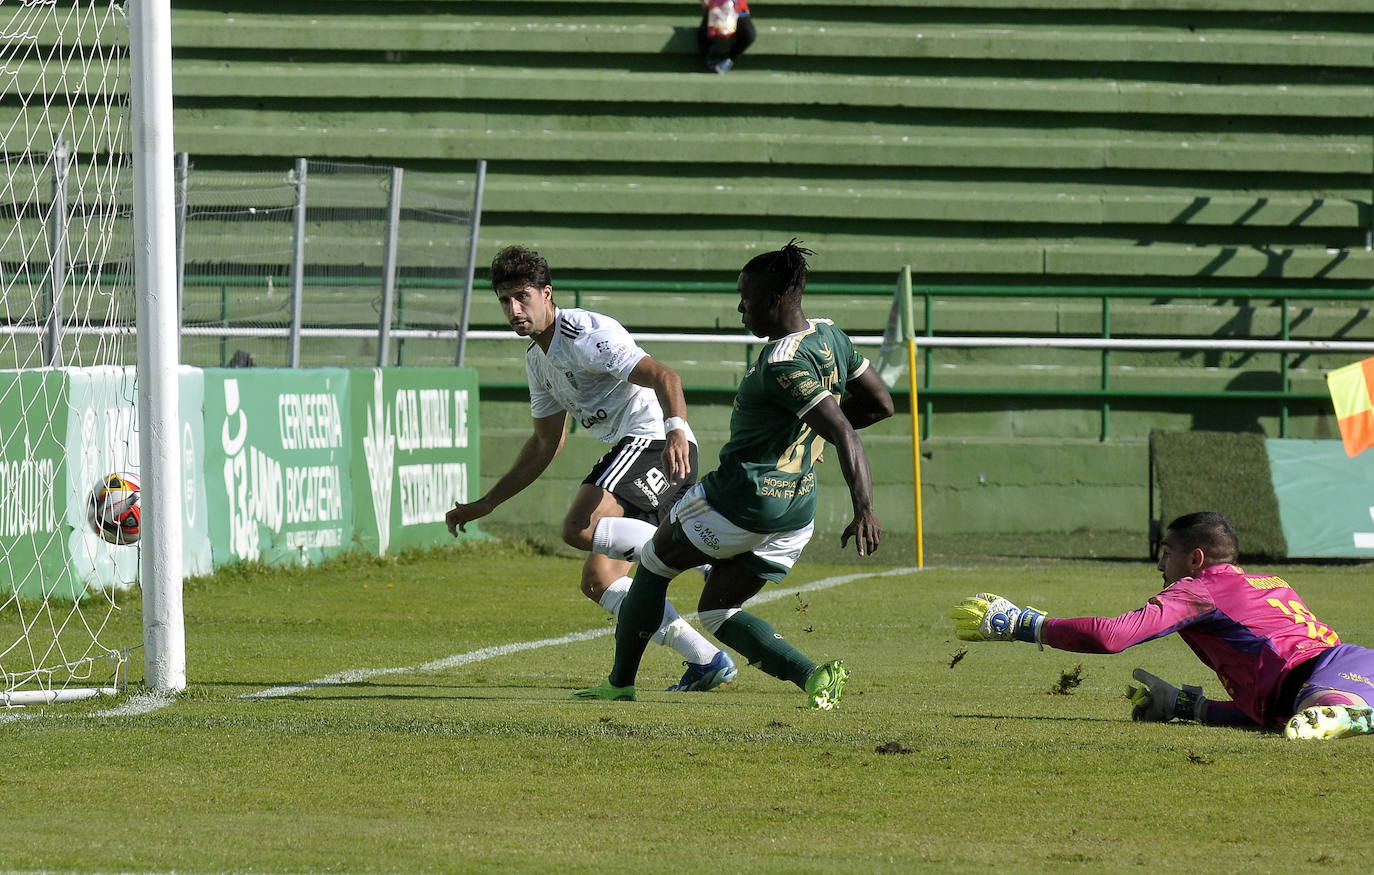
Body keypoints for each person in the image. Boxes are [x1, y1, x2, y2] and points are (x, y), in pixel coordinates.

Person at [573, 239, 894, 708]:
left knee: (653, 564)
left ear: (775, 300)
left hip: (740, 499)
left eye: (746, 297)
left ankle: (620, 684)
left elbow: (846, 429)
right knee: (720, 609)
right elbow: (880, 405)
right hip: (795, 513)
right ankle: (814, 677)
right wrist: (815, 437)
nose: (740, 307)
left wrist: (864, 507)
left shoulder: (784, 362)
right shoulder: (830, 336)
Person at [446, 244, 737, 693]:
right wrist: (488, 502)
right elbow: (547, 443)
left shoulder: (583, 333)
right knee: (598, 581)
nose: (513, 309)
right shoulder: (537, 361)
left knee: (579, 525)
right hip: (648, 452)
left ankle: (702, 557)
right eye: (504, 299)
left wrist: (676, 429)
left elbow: (666, 377)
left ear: (547, 293)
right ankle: (707, 660)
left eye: (522, 296)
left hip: (656, 443)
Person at [951, 511, 1374, 741]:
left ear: (1196, 560)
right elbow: (1264, 711)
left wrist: (1025, 624)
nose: (1159, 564)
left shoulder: (1200, 590)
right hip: (1348, 669)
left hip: (1326, 677)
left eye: (1166, 552)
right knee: (1302, 717)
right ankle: (1346, 714)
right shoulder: (1267, 583)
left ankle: (1349, 717)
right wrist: (1186, 707)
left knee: (1318, 710)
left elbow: (1111, 635)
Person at [698, 0, 755, 74]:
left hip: (737, 8)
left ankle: (729, 58)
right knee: (704, 33)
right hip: (717, 6)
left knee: (749, 35)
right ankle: (709, 59)